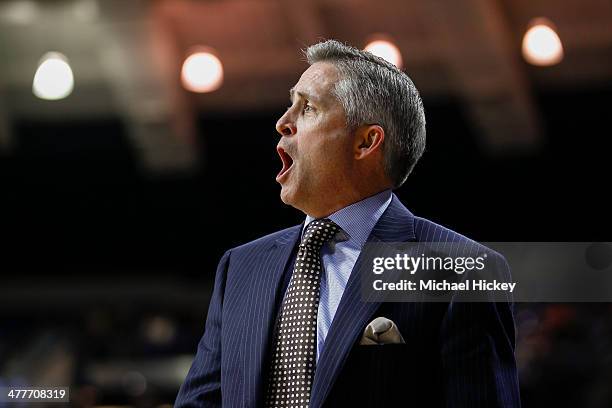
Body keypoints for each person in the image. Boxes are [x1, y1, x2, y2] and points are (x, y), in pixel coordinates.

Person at [175, 39, 520, 407]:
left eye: (307, 108)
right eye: (289, 105)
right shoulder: (240, 268)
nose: (282, 123)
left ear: (366, 142)